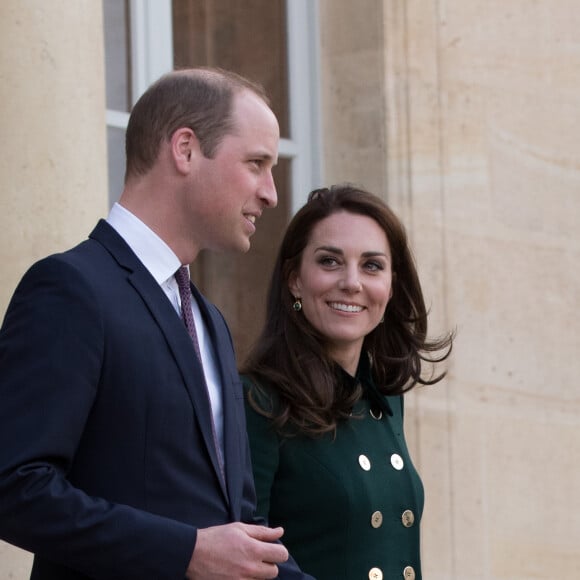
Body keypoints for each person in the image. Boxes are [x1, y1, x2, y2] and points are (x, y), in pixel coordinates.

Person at [0, 68, 314, 580]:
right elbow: (13, 486)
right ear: (185, 150)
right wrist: (186, 551)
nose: (272, 193)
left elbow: (239, 527)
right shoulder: (70, 288)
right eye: (256, 164)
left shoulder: (210, 322)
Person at [241, 184, 454, 580]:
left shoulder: (386, 399)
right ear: (294, 280)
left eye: (372, 265)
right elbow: (248, 561)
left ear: (391, 285)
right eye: (330, 262)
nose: (352, 282)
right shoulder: (256, 401)